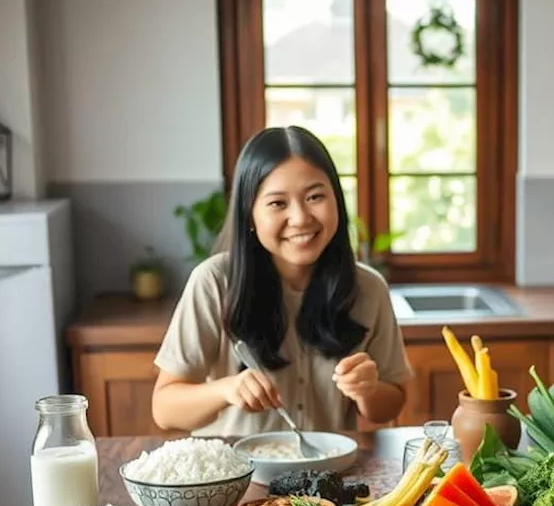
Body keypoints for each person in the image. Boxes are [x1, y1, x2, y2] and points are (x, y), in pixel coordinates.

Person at [151, 126, 412, 436]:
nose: (301, 218)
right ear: (250, 214)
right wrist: (226, 390)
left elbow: (391, 406)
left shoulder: (369, 288)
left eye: (315, 196)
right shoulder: (214, 281)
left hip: (324, 478)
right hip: (234, 479)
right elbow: (164, 409)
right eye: (277, 203)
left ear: (337, 201)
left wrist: (368, 390)